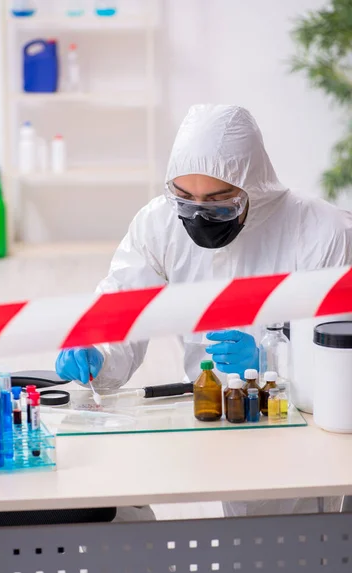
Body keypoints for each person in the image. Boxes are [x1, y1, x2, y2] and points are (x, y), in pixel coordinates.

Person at [56, 104, 352, 517]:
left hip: (297, 424)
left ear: (254, 188)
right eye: (185, 199)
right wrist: (97, 349)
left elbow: (339, 365)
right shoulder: (158, 226)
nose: (199, 215)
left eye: (218, 202)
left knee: (287, 538)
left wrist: (272, 363)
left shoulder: (322, 232)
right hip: (208, 409)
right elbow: (121, 304)